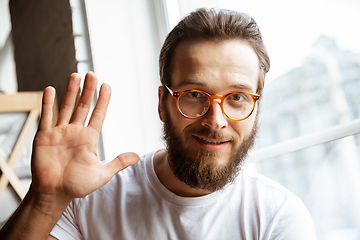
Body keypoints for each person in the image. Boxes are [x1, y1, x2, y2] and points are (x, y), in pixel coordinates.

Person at [0, 8, 317, 240]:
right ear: (162, 104)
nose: (216, 120)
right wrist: (45, 200)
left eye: (237, 97)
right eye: (194, 94)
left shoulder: (278, 218)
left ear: (257, 107)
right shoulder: (88, 197)